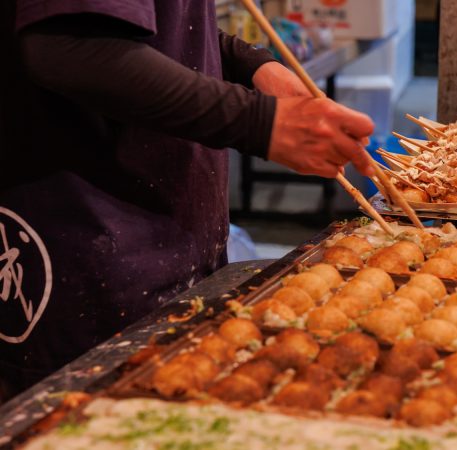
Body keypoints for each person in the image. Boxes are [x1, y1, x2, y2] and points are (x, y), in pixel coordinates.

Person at [0, 0, 375, 398]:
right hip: (86, 242)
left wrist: (251, 64)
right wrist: (259, 123)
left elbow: (155, 27)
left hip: (165, 233)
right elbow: (70, 45)